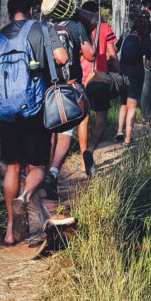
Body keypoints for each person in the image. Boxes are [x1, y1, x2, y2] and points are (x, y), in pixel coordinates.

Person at [0, 0, 68, 246]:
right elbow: (62, 58)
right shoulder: (43, 29)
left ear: (9, 13)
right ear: (32, 10)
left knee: (12, 167)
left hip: (6, 112)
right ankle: (24, 197)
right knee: (37, 167)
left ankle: (10, 231)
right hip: (37, 109)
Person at [42, 12, 95, 197]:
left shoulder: (43, 27)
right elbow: (91, 55)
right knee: (66, 131)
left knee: (50, 131)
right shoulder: (76, 26)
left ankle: (45, 176)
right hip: (70, 84)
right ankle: (54, 172)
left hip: (47, 87)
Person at [77, 0, 121, 173]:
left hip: (81, 79)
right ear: (96, 12)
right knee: (100, 118)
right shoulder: (104, 27)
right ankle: (91, 150)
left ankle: (83, 160)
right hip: (100, 79)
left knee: (82, 119)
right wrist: (119, 73)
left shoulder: (79, 28)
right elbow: (113, 54)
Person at [116, 12, 151, 146]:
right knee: (132, 106)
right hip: (136, 74)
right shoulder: (146, 39)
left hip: (122, 71)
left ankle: (119, 131)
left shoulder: (125, 35)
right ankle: (128, 139)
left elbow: (114, 50)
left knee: (123, 102)